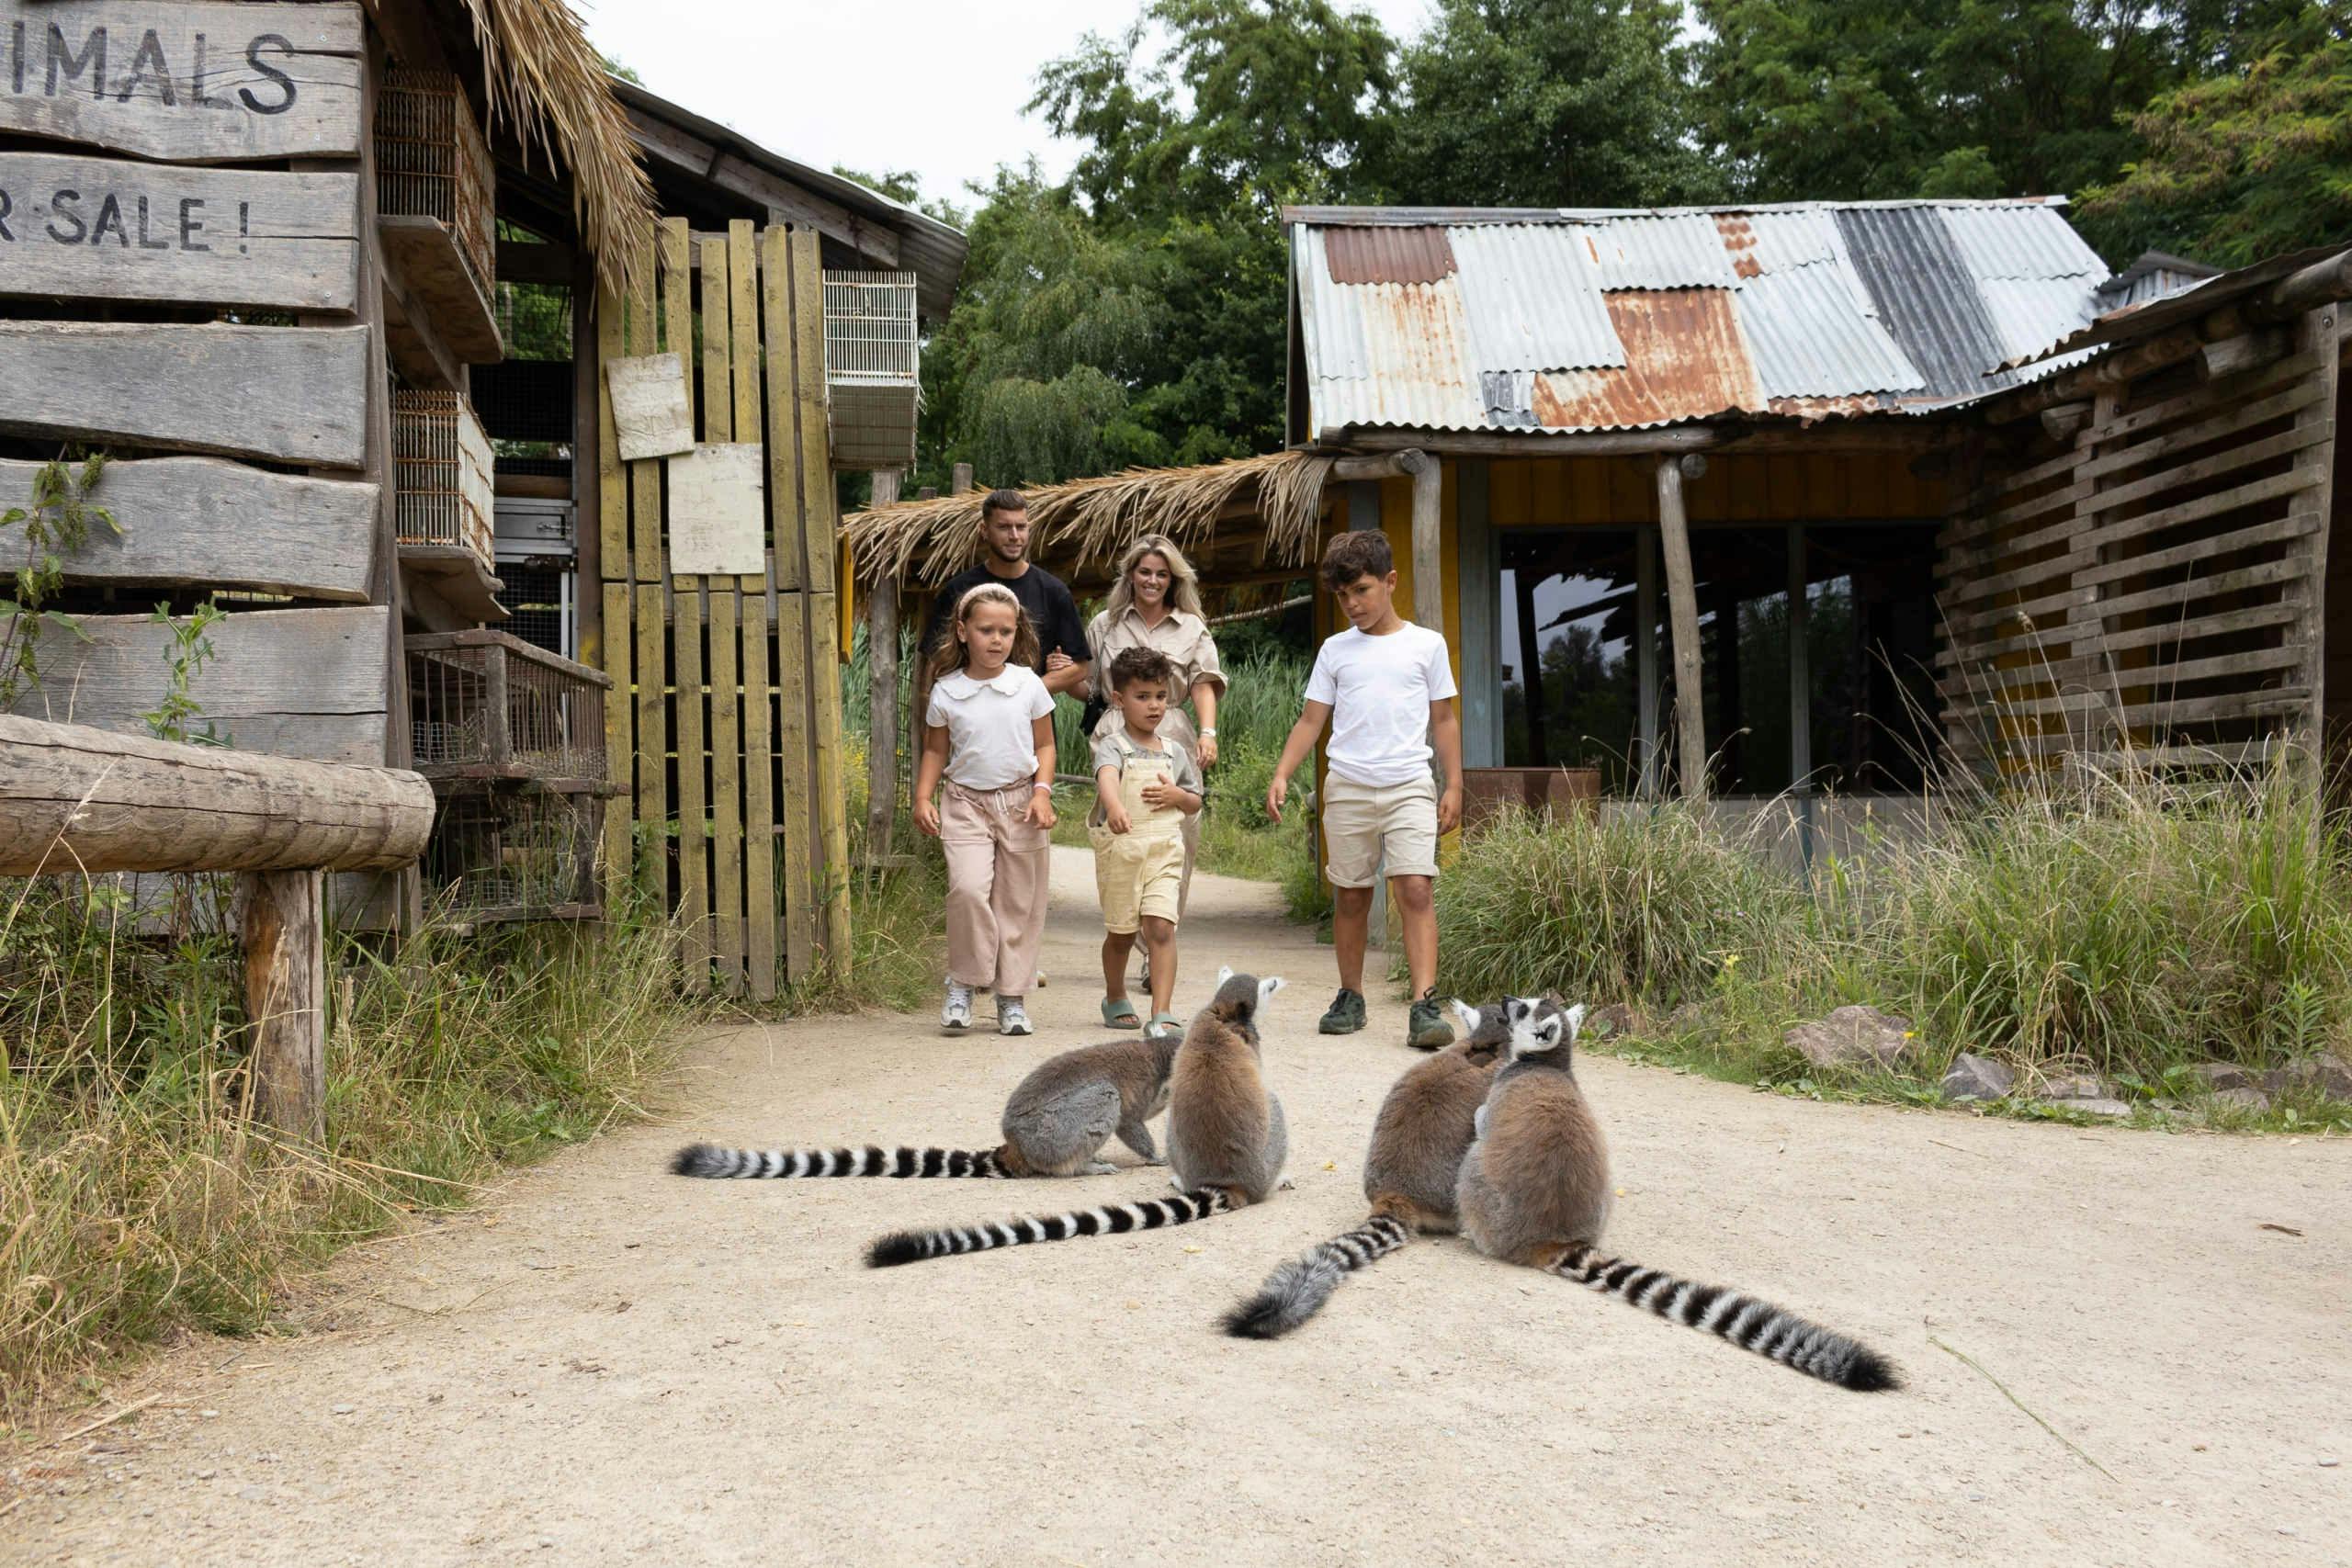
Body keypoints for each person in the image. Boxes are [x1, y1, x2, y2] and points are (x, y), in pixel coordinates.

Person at [1265, 530, 1464, 1050]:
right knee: (1351, 895)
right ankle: (1350, 997)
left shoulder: (1426, 645)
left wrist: (1455, 784)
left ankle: (1424, 1005)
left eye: (1362, 590)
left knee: (1415, 888)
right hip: (1349, 786)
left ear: (1390, 581)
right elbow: (1311, 720)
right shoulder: (1336, 651)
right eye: (1343, 595)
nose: (1353, 604)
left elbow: (1444, 719)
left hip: (1410, 783)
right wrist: (1283, 773)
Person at [912, 582, 1057, 1037]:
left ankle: (1011, 996)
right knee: (968, 890)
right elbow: (935, 750)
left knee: (1017, 902)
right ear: (962, 631)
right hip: (965, 804)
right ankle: (963, 982)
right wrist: (922, 797)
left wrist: (1042, 793)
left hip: (1020, 803)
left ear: (1016, 634)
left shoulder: (1028, 685)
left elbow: (1046, 745)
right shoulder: (947, 691)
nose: (996, 640)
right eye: (986, 630)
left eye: (1006, 632)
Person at [1081, 536, 1226, 925]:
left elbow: (1203, 683)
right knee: (1122, 829)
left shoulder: (1191, 627)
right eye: (1145, 572)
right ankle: (1126, 923)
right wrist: (1062, 672)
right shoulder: (1104, 625)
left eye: (1162, 574)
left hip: (1172, 732)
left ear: (1173, 579)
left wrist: (1208, 732)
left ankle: (1160, 931)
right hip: (1115, 731)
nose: (1152, 580)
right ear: (1130, 575)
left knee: (1175, 830)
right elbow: (1089, 686)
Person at [1089, 648, 1204, 1044]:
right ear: (1119, 699)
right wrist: (1114, 806)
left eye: (1160, 696)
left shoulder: (1175, 752)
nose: (1154, 705)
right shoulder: (1114, 746)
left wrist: (1178, 796)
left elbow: (1194, 800)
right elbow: (1107, 776)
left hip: (1164, 852)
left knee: (1161, 927)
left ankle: (1161, 1012)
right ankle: (1115, 995)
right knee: (1122, 933)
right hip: (1124, 852)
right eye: (1143, 697)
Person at [920, 489, 1090, 695]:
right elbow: (935, 663)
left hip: (1030, 714)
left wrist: (1023, 695)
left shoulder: (1054, 591)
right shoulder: (958, 591)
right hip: (969, 709)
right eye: (1004, 527)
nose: (1014, 536)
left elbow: (1080, 667)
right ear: (984, 530)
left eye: (1021, 527)